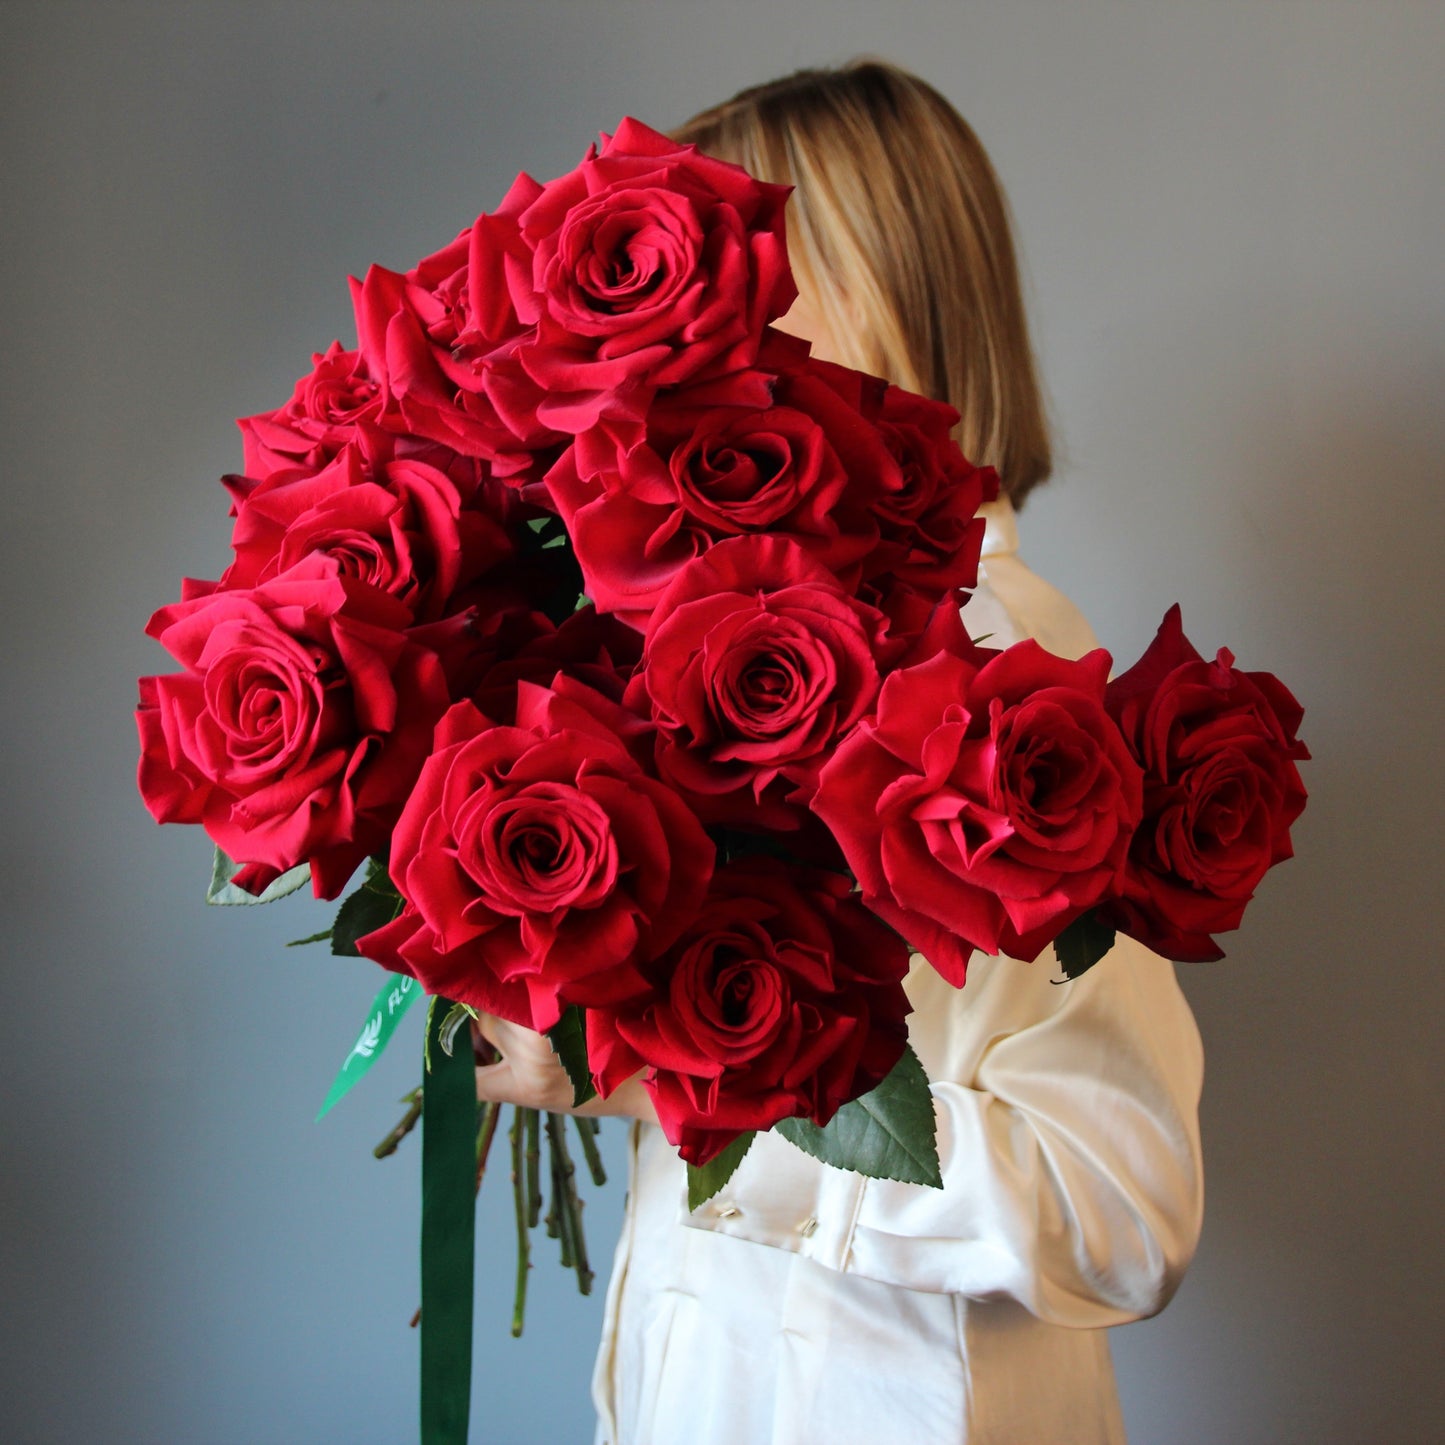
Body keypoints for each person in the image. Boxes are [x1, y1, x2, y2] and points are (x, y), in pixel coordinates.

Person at [472, 60, 1204, 1445]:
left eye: (733, 271)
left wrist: (676, 1084)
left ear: (893, 292)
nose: (678, 339)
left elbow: (1121, 1207)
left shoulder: (1010, 705)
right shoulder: (719, 658)